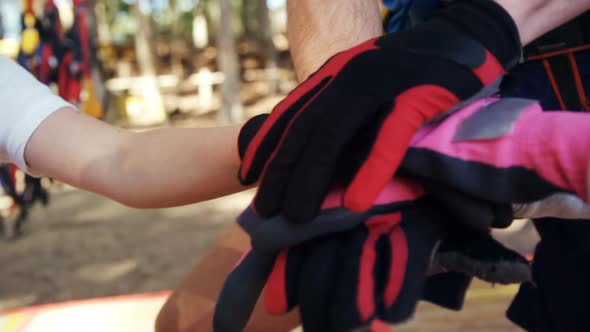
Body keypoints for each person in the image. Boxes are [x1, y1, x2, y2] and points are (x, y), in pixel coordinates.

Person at [156, 1, 590, 331]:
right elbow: (119, 161)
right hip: (434, 87)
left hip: (487, 51)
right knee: (193, 317)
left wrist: (483, 27)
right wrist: (355, 140)